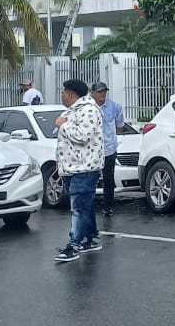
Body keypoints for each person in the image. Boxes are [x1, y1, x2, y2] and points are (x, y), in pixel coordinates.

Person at [52, 80, 105, 263]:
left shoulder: (89, 110)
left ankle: (73, 245)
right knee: (85, 206)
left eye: (63, 92)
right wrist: (59, 160)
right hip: (70, 167)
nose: (61, 95)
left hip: (85, 167)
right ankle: (92, 238)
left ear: (70, 95)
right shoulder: (70, 111)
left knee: (78, 208)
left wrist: (63, 125)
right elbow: (63, 141)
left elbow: (83, 136)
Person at [90, 82, 124, 217]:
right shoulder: (88, 108)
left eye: (104, 91)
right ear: (92, 93)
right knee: (91, 178)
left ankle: (108, 206)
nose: (102, 94)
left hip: (109, 149)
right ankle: (89, 205)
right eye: (99, 92)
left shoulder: (115, 107)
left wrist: (111, 139)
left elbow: (119, 126)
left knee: (108, 179)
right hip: (92, 150)